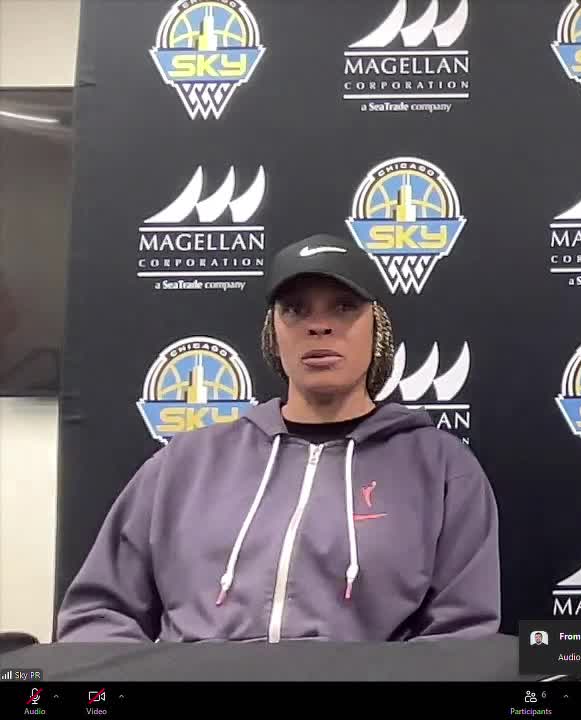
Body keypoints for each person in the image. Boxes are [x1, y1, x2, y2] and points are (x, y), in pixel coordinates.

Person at [56, 233, 501, 642]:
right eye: (296, 309)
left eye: (344, 307)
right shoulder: (184, 463)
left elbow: (461, 639)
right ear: (274, 332)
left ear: (377, 328)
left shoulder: (440, 468)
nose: (319, 326)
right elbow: (98, 615)